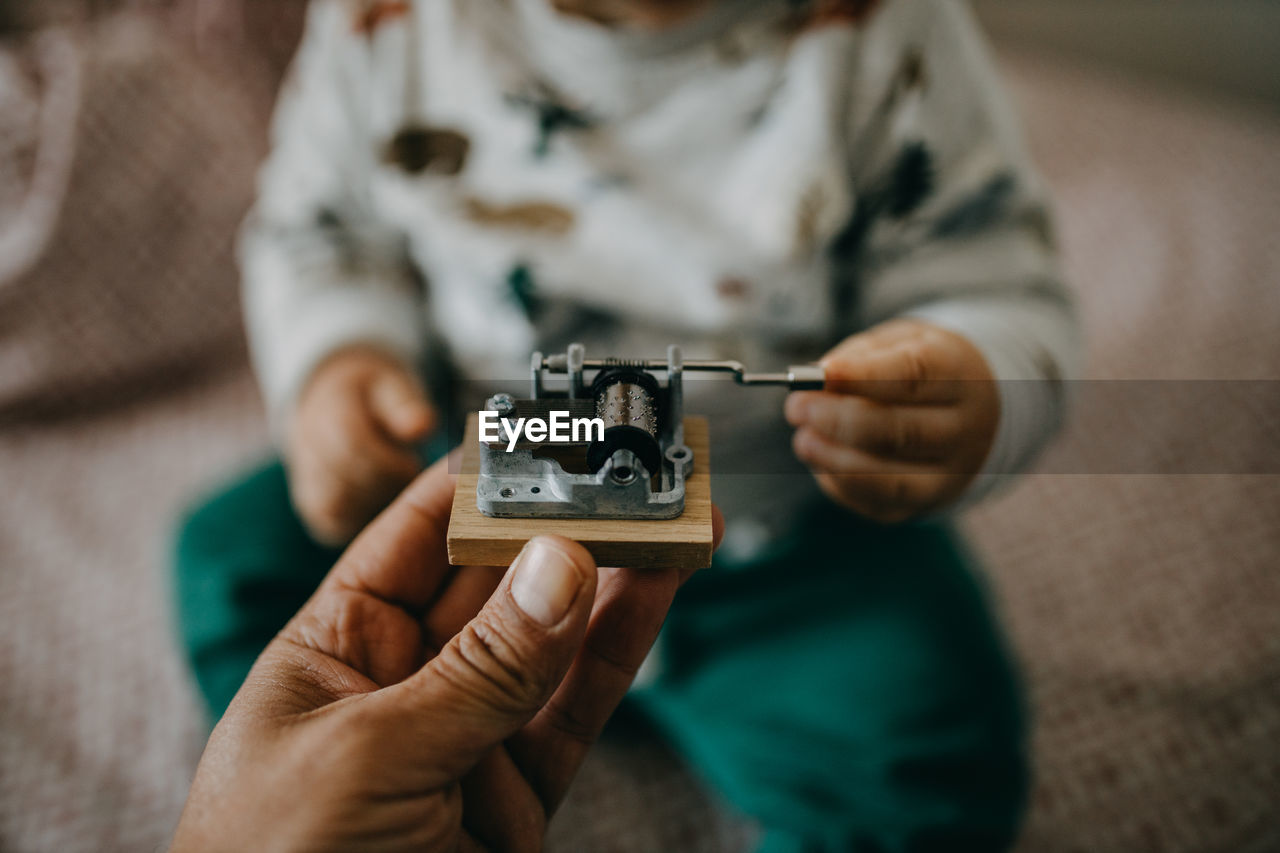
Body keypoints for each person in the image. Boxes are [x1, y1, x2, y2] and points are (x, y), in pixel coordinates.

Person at [176, 0, 1078, 848]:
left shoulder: (889, 30)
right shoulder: (390, 23)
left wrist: (972, 385)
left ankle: (638, 683)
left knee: (931, 747)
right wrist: (338, 367)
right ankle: (395, 740)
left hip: (780, 534)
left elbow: (993, 274)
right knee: (231, 558)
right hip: (470, 499)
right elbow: (320, 236)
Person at [173, 457, 719, 851]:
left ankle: (340, 747)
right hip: (459, 449)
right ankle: (310, 749)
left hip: (742, 594)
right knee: (221, 541)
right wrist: (335, 365)